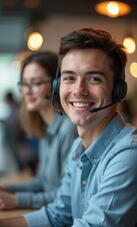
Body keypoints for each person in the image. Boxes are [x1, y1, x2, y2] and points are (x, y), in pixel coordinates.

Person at [0, 27, 137, 227]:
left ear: (118, 90)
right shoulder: (78, 148)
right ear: (58, 86)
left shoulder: (128, 155)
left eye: (93, 78)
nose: (78, 89)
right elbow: (59, 214)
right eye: (69, 78)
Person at [0, 51, 77, 210]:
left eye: (35, 83)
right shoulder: (47, 128)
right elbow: (42, 181)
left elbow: (65, 196)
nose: (27, 91)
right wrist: (8, 190)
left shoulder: (68, 129)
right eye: (24, 84)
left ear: (57, 84)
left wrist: (16, 200)